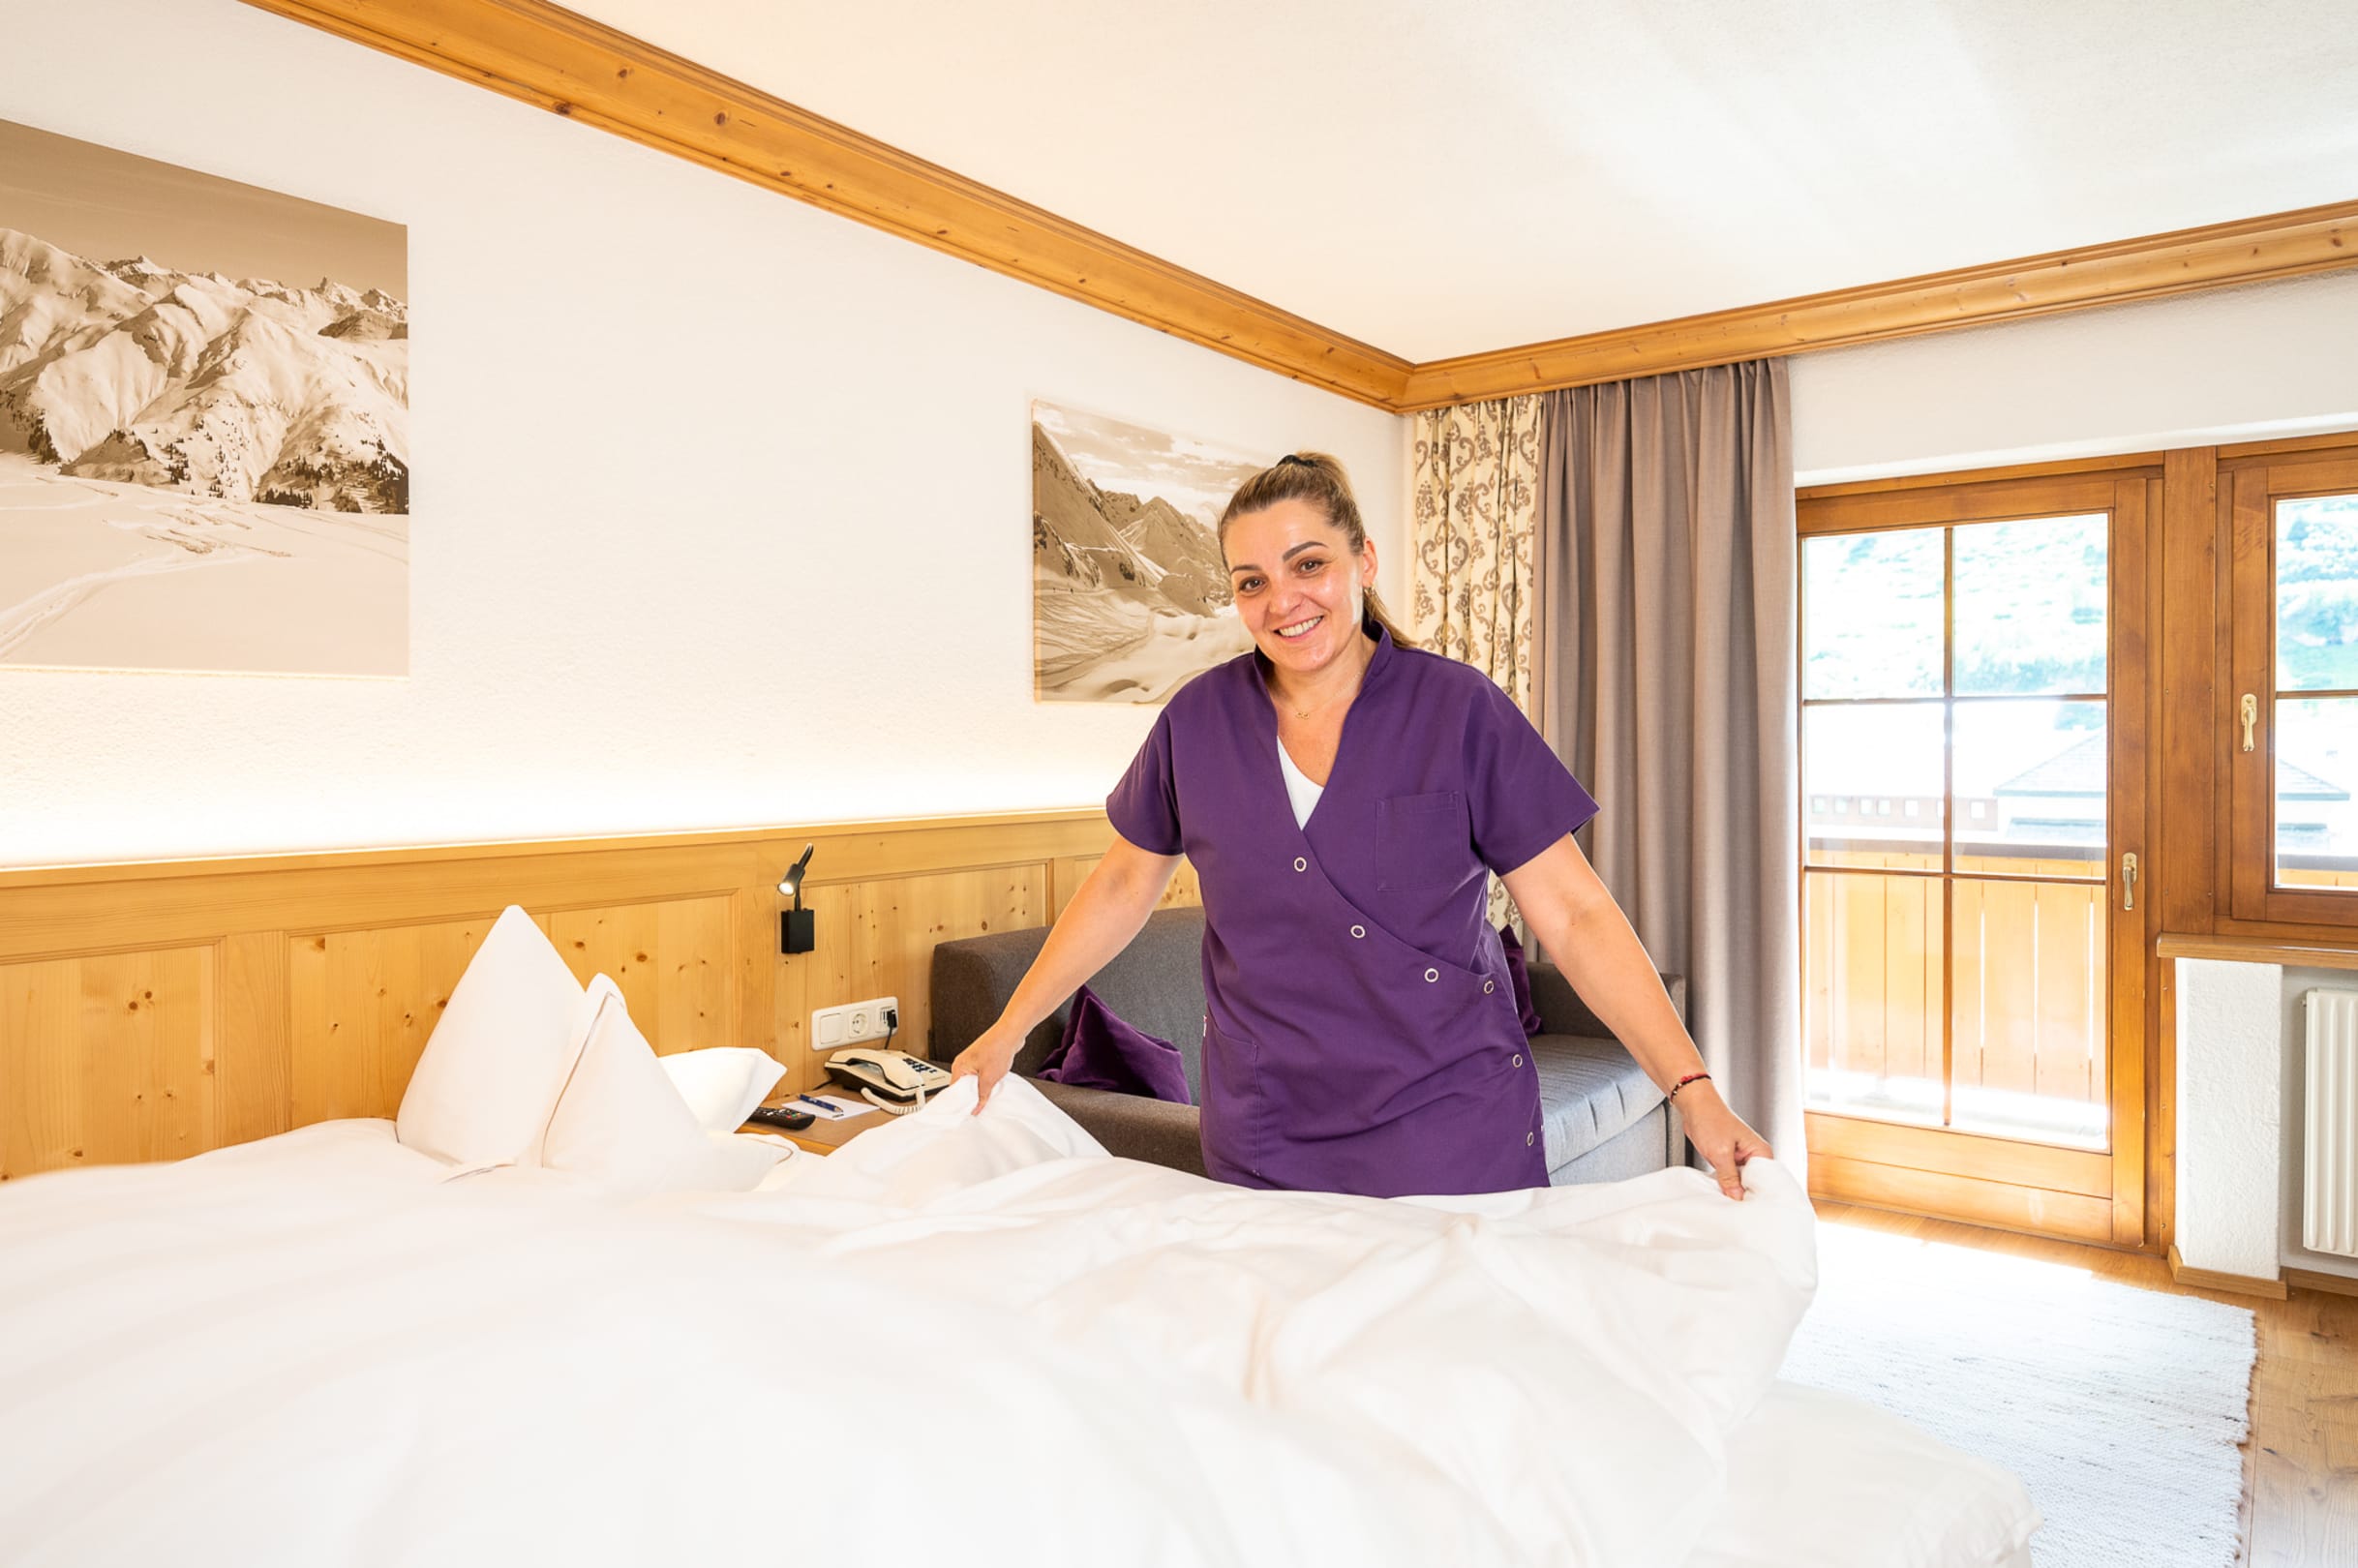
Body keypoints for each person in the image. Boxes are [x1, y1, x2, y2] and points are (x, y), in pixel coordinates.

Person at [952, 452, 1771, 1200]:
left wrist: (1692, 1092)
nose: (1283, 601)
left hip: (1449, 1131)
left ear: (1364, 562)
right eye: (1251, 581)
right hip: (1267, 1138)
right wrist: (1007, 1031)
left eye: (1308, 565)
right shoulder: (1196, 723)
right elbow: (1123, 886)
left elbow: (1576, 912)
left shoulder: (1459, 711)